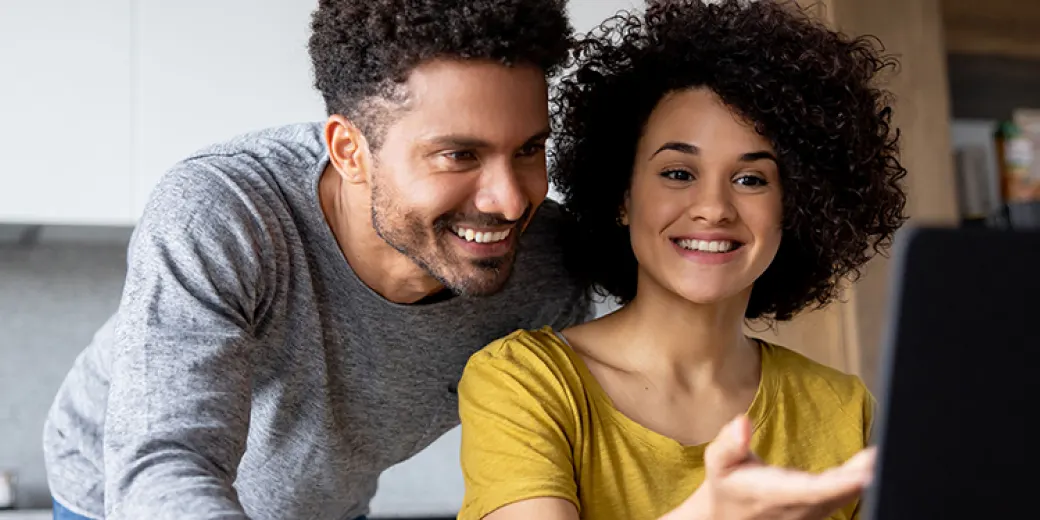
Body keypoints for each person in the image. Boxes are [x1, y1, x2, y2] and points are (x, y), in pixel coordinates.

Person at [42, 1, 590, 519]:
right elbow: (166, 462)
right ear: (349, 152)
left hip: (327, 505)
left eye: (527, 150)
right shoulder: (225, 213)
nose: (512, 200)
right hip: (118, 497)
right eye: (459, 156)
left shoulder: (551, 259)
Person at [456, 1, 908, 519]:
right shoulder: (523, 382)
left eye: (751, 179)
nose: (714, 208)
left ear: (797, 205)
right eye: (677, 173)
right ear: (622, 196)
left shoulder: (845, 410)